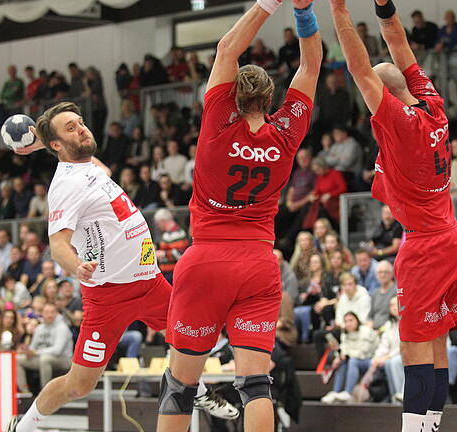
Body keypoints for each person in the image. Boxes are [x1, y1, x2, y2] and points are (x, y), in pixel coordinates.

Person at [7, 102, 237, 432]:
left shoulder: (90, 167)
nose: (82, 129)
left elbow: (92, 162)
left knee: (189, 337)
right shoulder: (65, 186)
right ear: (58, 144)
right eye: (71, 128)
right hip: (108, 296)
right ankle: (24, 426)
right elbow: (58, 245)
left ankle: (197, 391)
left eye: (81, 122)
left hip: (150, 282)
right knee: (79, 385)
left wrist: (46, 140)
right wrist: (77, 267)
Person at [156, 0, 322, 430]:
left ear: (230, 95)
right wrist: (303, 10)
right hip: (258, 263)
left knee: (180, 386)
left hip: (206, 260)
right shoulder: (285, 135)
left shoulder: (217, 124)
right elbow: (310, 66)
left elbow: (227, 47)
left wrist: (270, 2)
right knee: (255, 384)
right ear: (269, 98)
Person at [328, 0, 457, 430]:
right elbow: (397, 38)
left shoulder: (396, 120)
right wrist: (385, 6)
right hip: (451, 237)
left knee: (414, 349)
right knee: (437, 343)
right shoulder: (432, 102)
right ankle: (430, 426)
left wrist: (339, 8)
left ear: (382, 95)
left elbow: (358, 67)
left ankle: (413, 429)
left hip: (424, 245)